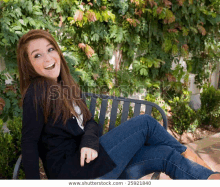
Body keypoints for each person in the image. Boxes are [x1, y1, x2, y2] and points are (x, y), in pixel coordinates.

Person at [17, 29, 220, 180]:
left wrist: (89, 141)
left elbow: (90, 123)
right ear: (29, 65)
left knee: (165, 155)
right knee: (145, 123)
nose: (47, 58)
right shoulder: (37, 91)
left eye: (50, 49)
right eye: (37, 55)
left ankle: (209, 179)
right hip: (78, 174)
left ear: (58, 52)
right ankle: (194, 158)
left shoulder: (67, 87)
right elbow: (29, 143)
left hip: (98, 167)